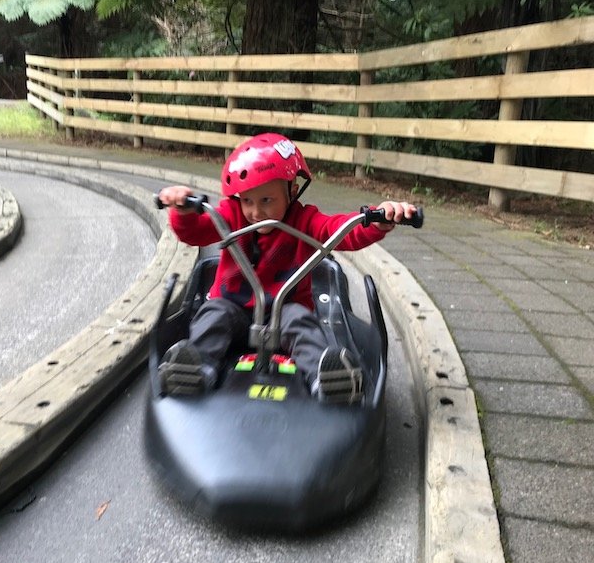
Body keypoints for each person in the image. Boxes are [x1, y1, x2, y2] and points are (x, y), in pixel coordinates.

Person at [156, 132, 418, 404]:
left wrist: (375, 221)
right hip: (234, 310)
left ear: (292, 191)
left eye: (266, 200)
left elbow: (338, 230)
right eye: (248, 201)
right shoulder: (230, 215)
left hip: (284, 313)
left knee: (301, 322)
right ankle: (195, 367)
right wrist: (183, 211)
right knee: (213, 313)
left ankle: (326, 375)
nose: (256, 213)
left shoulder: (304, 219)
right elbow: (194, 233)